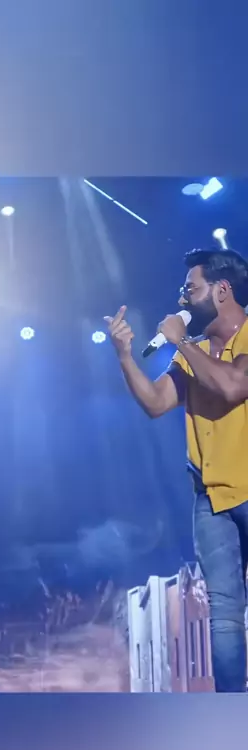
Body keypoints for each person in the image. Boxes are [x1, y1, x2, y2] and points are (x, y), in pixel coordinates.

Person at [105, 248, 248, 693]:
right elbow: (154, 403)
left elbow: (233, 385)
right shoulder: (195, 353)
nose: (182, 299)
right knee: (224, 613)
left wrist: (180, 341)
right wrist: (125, 355)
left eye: (191, 288)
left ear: (222, 290)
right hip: (212, 501)